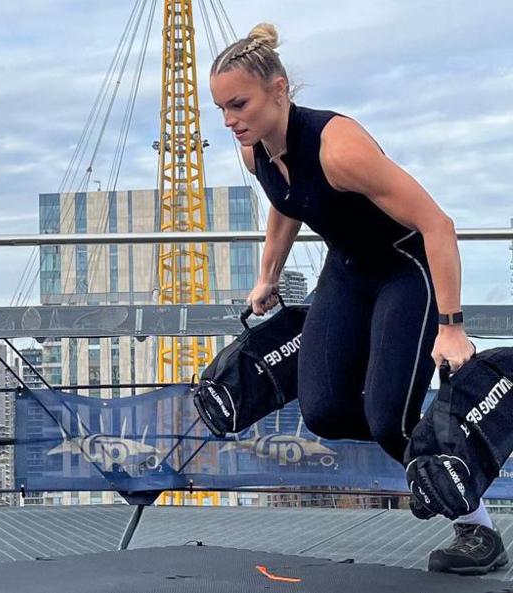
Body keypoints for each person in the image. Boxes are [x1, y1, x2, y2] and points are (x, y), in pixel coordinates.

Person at [208, 23, 506, 575]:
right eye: (222, 108)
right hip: (345, 272)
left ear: (279, 90)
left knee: (387, 416)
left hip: (404, 270)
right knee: (322, 411)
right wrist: (267, 277)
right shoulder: (254, 154)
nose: (229, 120)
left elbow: (438, 224)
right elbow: (287, 203)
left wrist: (452, 325)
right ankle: (418, 442)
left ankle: (477, 528)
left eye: (239, 104)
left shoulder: (339, 148)